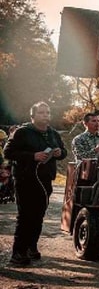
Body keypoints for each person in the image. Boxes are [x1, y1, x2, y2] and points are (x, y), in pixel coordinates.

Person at [3, 101, 68, 265]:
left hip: (45, 179)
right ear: (32, 116)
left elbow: (63, 151)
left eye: (47, 113)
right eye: (41, 113)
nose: (45, 115)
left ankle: (32, 247)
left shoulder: (53, 133)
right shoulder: (22, 132)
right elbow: (8, 152)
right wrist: (32, 156)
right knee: (25, 216)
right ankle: (18, 253)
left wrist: (60, 153)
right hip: (25, 179)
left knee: (38, 215)